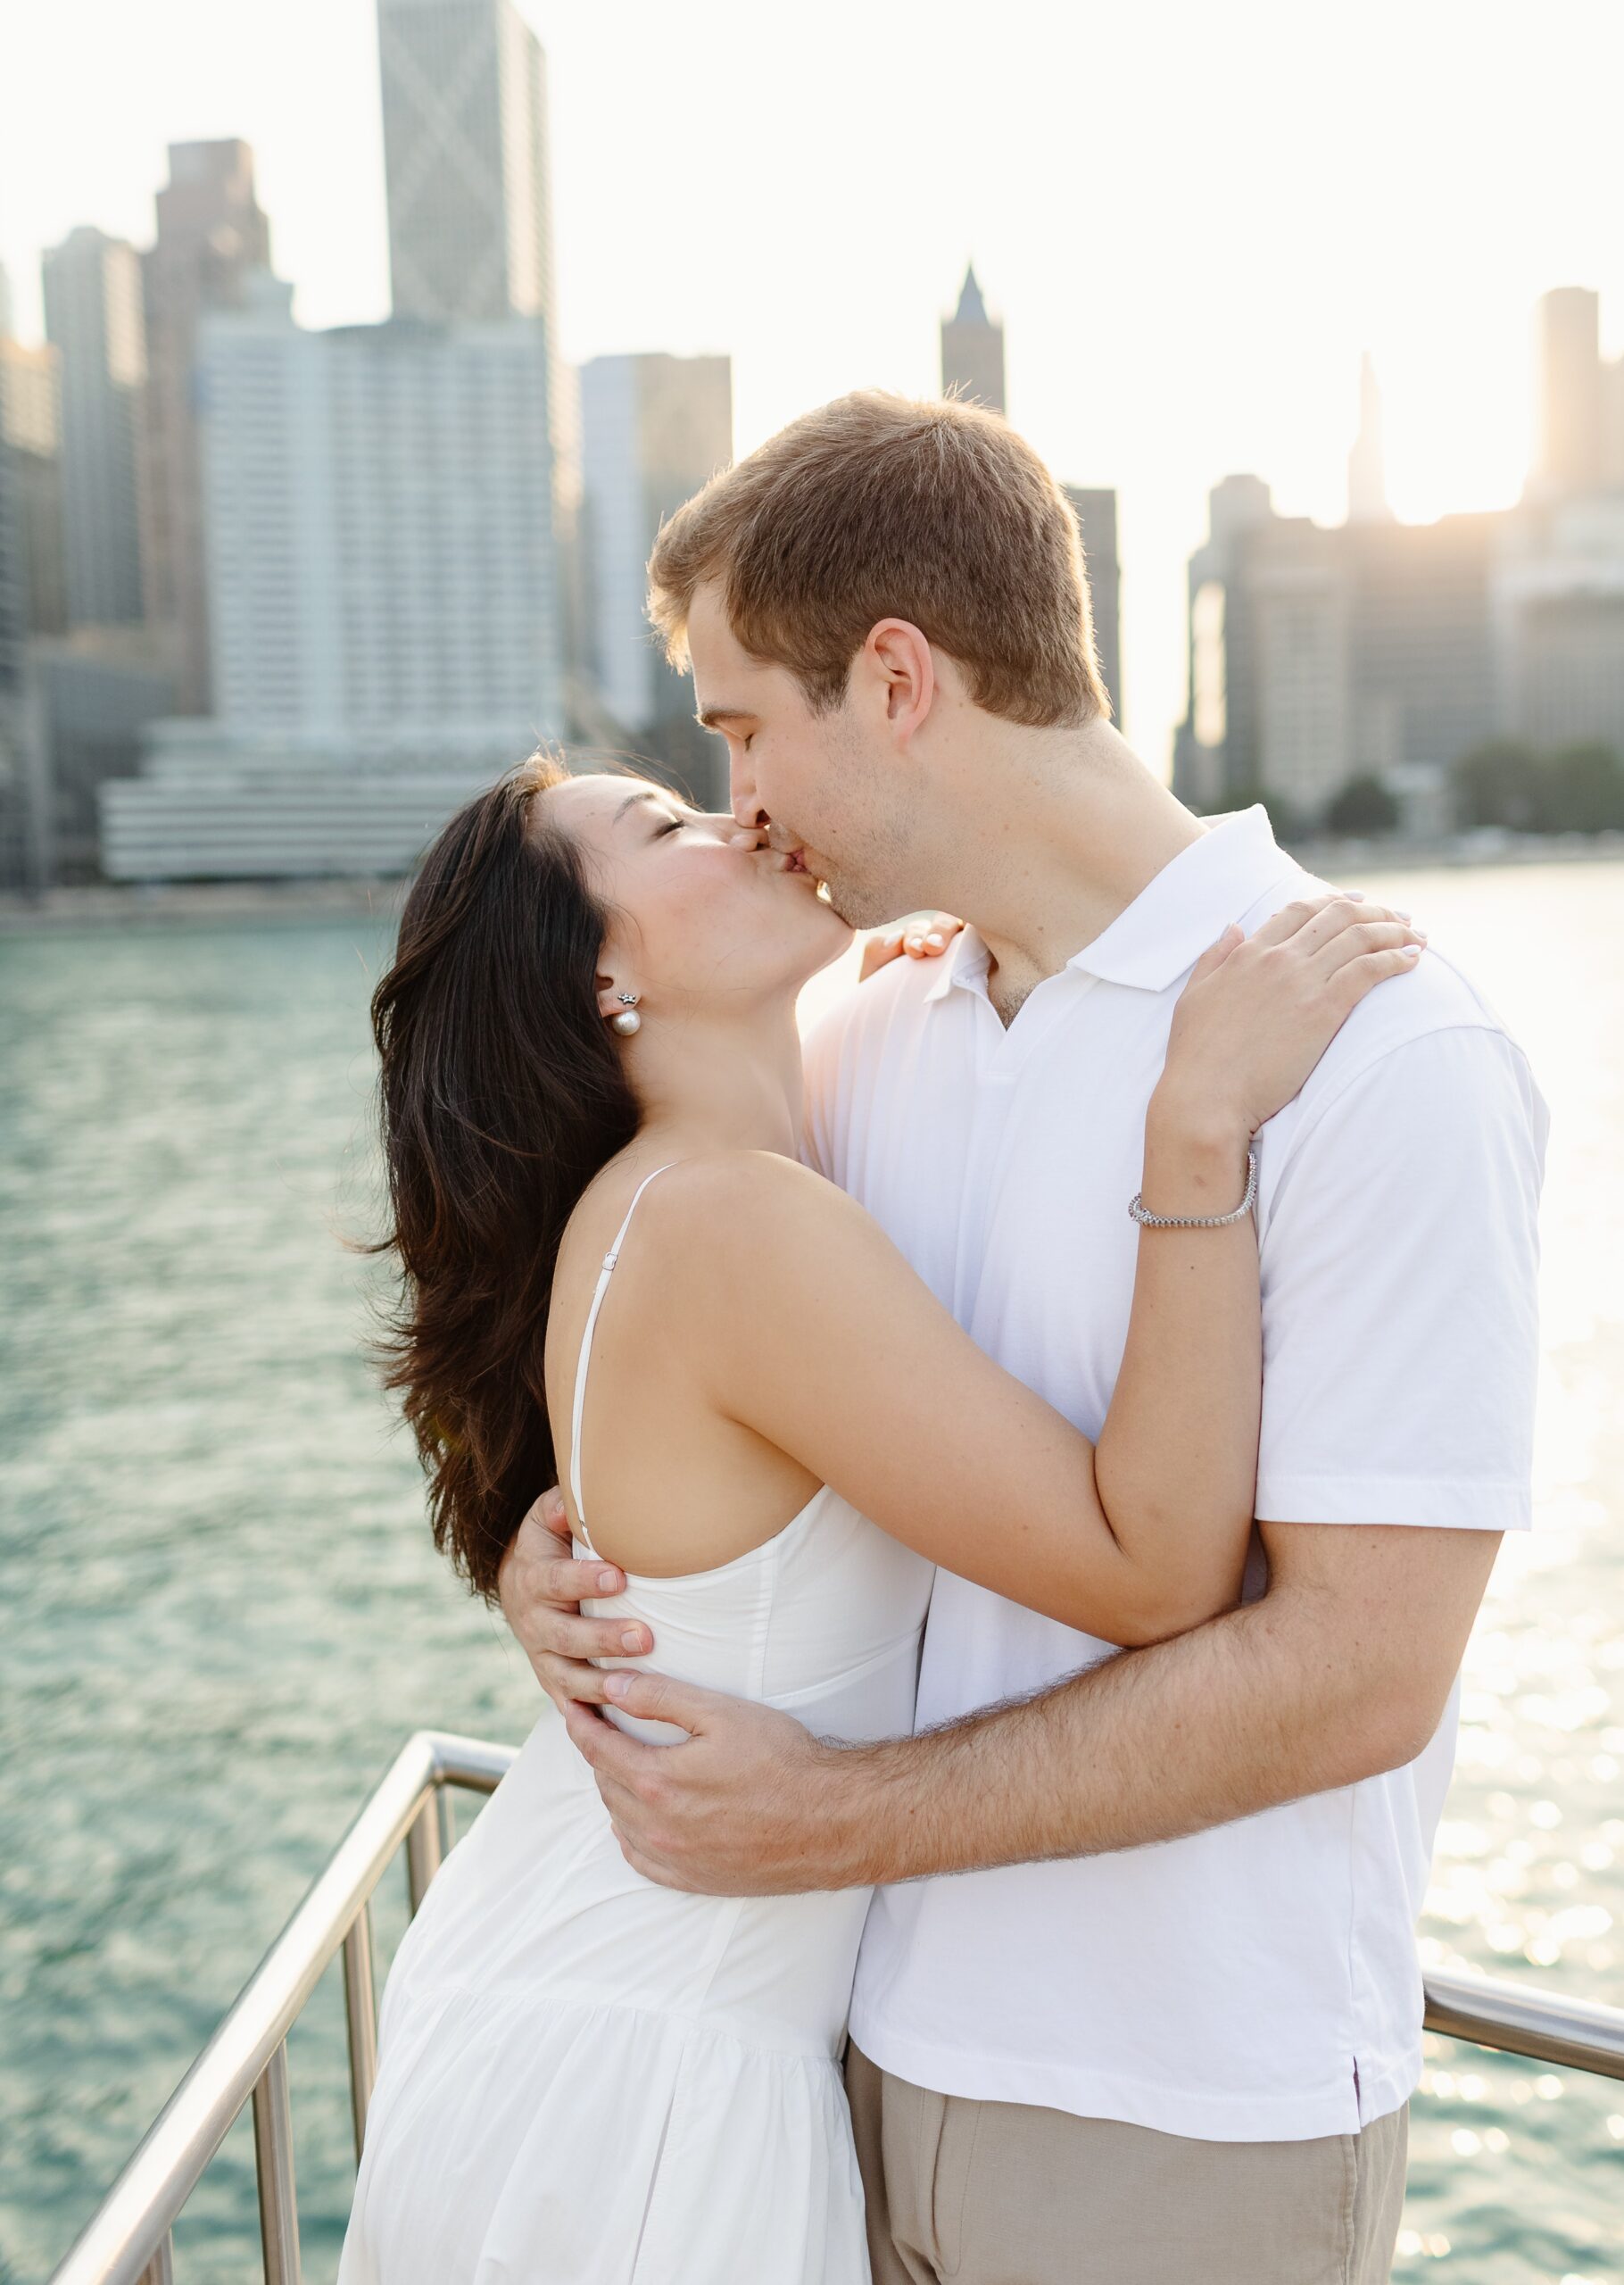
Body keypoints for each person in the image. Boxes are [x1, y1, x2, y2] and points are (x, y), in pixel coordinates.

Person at [501, 393, 1548, 2285]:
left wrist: (825, 1817)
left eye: (743, 727)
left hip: (1181, 2126)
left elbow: (1354, 1674)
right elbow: (647, 1317)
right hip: (854, 2074)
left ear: (892, 678)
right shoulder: (863, 1028)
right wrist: (552, 1544)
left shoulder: (1389, 1052)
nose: (739, 801)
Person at [338, 733, 1419, 2283]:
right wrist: (1196, 1129)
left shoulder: (740, 1154)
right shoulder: (726, 1219)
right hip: (653, 2067)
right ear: (599, 981)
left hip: (612, 1995)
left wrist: (933, 954)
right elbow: (1153, 1568)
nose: (747, 813)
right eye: (671, 822)